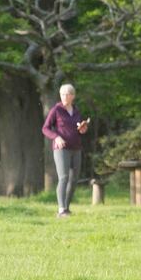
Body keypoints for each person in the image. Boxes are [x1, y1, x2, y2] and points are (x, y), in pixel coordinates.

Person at [41, 83, 90, 218]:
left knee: (74, 180)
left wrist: (82, 129)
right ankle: (61, 209)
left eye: (66, 94)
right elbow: (45, 128)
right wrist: (56, 137)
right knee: (63, 177)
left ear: (72, 96)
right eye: (62, 94)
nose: (64, 96)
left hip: (76, 148)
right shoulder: (56, 110)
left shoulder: (76, 111)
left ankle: (66, 208)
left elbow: (78, 129)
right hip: (61, 149)